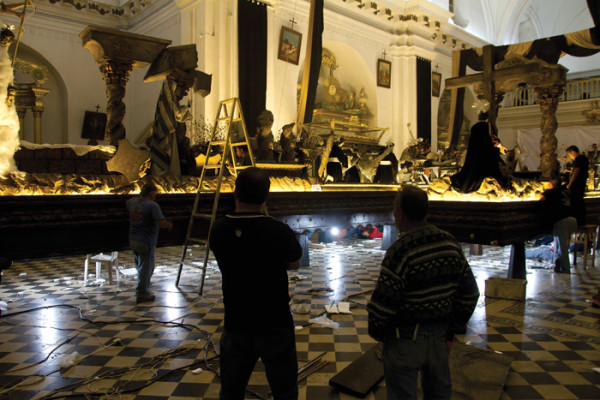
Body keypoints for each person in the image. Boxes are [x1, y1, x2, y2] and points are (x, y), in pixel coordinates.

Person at [367, 185, 480, 400]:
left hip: (404, 340)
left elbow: (383, 305)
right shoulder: (449, 243)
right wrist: (453, 327)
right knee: (439, 394)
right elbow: (470, 294)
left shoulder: (400, 251)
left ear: (400, 213)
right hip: (439, 338)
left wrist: (380, 335)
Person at [209, 167, 302, 400]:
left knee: (231, 391)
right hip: (275, 320)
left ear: (235, 193)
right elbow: (295, 264)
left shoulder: (219, 229)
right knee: (285, 391)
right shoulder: (279, 231)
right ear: (267, 196)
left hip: (237, 320)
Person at [126, 182, 173, 304]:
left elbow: (128, 202)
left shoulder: (132, 202)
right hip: (146, 240)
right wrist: (168, 224)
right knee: (146, 268)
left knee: (139, 266)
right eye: (155, 194)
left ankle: (143, 289)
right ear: (151, 194)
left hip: (133, 239)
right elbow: (160, 222)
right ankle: (142, 293)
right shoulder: (152, 205)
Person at [450, 113, 507, 193]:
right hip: (486, 153)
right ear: (487, 118)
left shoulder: (475, 127)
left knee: (472, 169)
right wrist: (500, 146)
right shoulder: (488, 126)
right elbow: (493, 139)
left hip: (475, 154)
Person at [539, 179, 577, 274]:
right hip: (573, 220)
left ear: (550, 184)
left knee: (562, 245)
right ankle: (557, 262)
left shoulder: (550, 192)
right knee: (558, 242)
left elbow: (541, 200)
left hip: (561, 221)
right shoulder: (566, 191)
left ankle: (566, 268)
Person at [566, 145, 589, 226]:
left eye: (569, 154)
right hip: (582, 183)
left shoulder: (578, 159)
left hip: (577, 184)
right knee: (580, 201)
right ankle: (581, 220)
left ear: (573, 152)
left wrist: (570, 183)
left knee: (576, 202)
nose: (570, 156)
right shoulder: (584, 158)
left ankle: (578, 221)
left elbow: (576, 171)